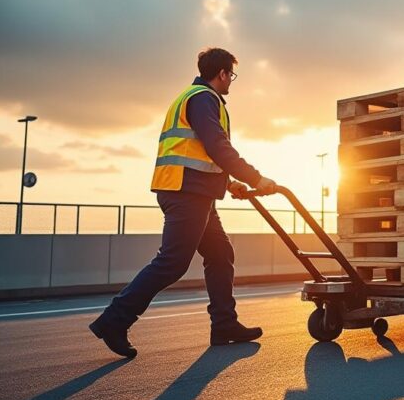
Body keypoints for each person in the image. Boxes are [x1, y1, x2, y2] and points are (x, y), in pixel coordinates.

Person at [90, 48, 277, 358]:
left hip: (193, 190)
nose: (231, 81)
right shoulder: (204, 99)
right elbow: (217, 146)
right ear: (221, 74)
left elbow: (200, 154)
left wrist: (230, 184)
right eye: (231, 75)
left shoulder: (191, 97)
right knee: (173, 261)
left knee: (219, 253)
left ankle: (224, 325)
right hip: (186, 193)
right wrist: (256, 178)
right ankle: (114, 321)